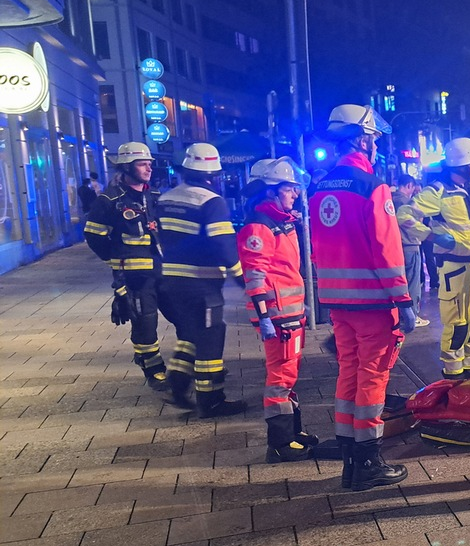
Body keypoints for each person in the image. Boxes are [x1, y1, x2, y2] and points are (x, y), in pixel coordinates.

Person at [310, 103, 416, 491]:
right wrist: (403, 301)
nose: (375, 146)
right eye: (372, 138)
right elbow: (387, 252)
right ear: (361, 140)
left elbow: (318, 249)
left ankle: (350, 460)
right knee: (373, 376)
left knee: (349, 373)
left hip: (338, 301)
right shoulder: (373, 187)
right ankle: (368, 461)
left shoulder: (319, 187)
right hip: (373, 301)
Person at [156, 143, 248, 417]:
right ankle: (211, 399)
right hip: (202, 284)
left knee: (190, 332)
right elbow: (223, 245)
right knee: (210, 336)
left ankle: (177, 382)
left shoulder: (166, 199)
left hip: (171, 282)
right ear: (214, 174)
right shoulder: (211, 202)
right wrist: (243, 278)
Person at [236, 158, 318, 463]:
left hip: (289, 313)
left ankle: (293, 433)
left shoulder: (280, 222)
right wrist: (264, 317)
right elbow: (254, 274)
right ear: (271, 192)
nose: (295, 193)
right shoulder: (260, 226)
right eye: (289, 188)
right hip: (278, 316)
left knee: (288, 375)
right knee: (280, 378)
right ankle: (281, 443)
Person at [83, 142, 168, 391]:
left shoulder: (153, 197)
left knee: (182, 315)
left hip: (162, 270)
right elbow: (94, 236)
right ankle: (154, 369)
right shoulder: (109, 200)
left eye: (149, 164)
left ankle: (191, 363)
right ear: (127, 167)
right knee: (145, 322)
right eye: (143, 164)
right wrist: (115, 259)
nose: (148, 168)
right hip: (134, 277)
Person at [410, 138, 470, 379]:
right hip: (453, 266)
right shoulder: (437, 191)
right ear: (463, 165)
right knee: (457, 324)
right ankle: (452, 378)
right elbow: (405, 216)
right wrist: (432, 236)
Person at [392, 174, 433, 327]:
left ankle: (400, 314)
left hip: (396, 247)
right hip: (410, 245)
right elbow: (416, 223)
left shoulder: (389, 199)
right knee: (412, 283)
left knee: (400, 283)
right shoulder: (406, 203)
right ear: (409, 185)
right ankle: (413, 315)